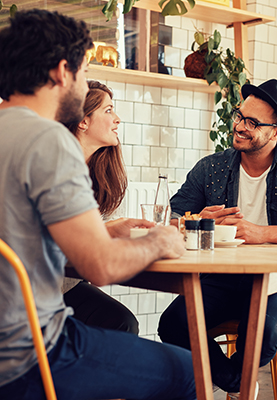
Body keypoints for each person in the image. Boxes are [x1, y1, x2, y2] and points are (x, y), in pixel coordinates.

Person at [0, 10, 196, 400]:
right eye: (84, 73)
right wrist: (160, 240)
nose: (85, 84)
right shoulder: (50, 140)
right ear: (61, 72)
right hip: (30, 355)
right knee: (192, 372)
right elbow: (101, 266)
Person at [158, 79, 277, 395]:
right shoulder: (211, 168)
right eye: (239, 116)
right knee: (174, 323)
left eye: (252, 122)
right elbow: (169, 218)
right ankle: (238, 384)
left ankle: (232, 383)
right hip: (222, 277)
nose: (239, 126)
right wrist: (195, 221)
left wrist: (261, 233)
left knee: (265, 331)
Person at [61, 80, 138, 334]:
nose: (117, 119)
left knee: (123, 322)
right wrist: (108, 231)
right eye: (108, 110)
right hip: (40, 288)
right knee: (122, 324)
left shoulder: (94, 173)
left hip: (67, 283)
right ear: (83, 120)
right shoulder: (59, 167)